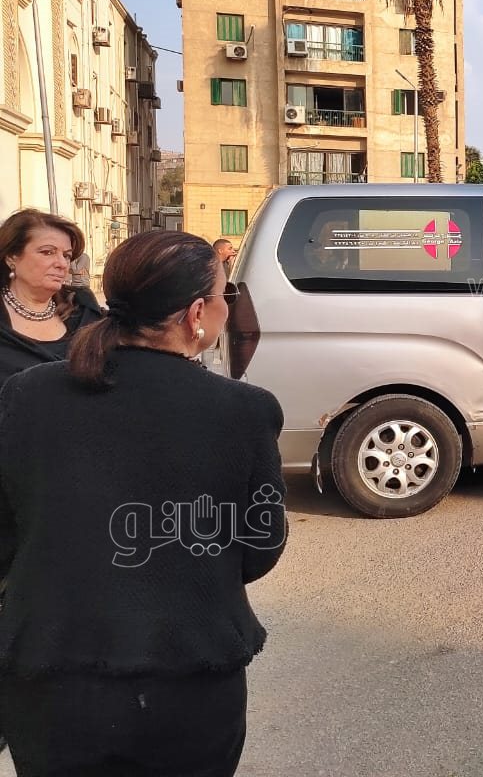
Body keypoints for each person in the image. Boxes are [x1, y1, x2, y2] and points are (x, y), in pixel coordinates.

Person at [0, 230, 287, 775]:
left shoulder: (28, 393)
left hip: (51, 679)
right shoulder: (243, 410)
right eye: (225, 295)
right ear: (197, 312)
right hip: (190, 680)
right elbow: (258, 549)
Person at [0, 208, 103, 386]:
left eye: (67, 255)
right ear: (12, 257)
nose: (62, 264)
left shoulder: (83, 307)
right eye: (47, 252)